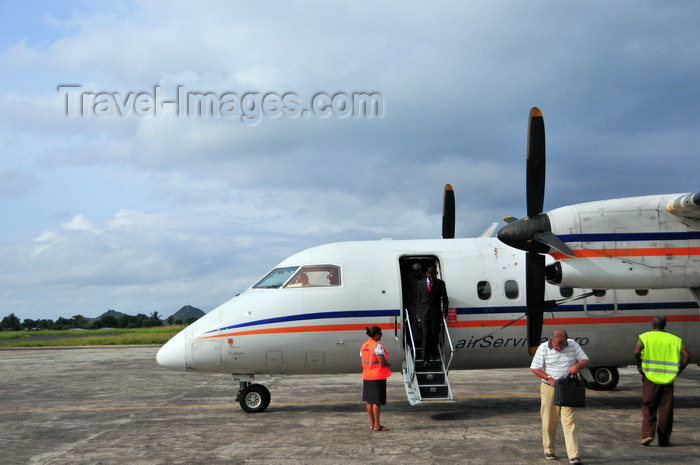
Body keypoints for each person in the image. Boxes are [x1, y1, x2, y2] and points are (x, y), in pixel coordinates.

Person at [530, 329, 589, 464]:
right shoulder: (543, 348)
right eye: (558, 345)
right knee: (549, 421)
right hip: (550, 388)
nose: (560, 348)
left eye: (563, 345)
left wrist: (577, 365)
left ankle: (574, 455)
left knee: (570, 422)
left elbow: (585, 360)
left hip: (568, 388)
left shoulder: (572, 344)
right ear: (552, 340)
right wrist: (549, 378)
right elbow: (534, 368)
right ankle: (549, 449)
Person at [634, 315, 691, 447]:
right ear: (665, 325)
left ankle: (648, 434)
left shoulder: (644, 337)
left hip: (650, 377)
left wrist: (639, 367)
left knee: (648, 405)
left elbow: (636, 352)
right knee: (665, 409)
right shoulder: (675, 339)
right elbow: (687, 356)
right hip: (668, 379)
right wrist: (678, 370)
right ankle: (664, 440)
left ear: (653, 325)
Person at [361, 326, 392, 431]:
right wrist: (388, 364)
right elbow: (382, 362)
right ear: (376, 335)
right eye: (380, 334)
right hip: (377, 376)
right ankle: (377, 425)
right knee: (376, 402)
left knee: (369, 401)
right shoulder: (377, 346)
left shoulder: (364, 346)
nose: (381, 336)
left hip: (367, 375)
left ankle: (372, 424)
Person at [416, 266, 448, 364]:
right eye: (430, 277)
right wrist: (417, 312)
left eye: (433, 277)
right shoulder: (420, 283)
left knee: (434, 334)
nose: (431, 278)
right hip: (423, 313)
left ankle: (433, 354)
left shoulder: (440, 284)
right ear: (426, 274)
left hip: (435, 313)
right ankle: (425, 358)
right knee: (425, 334)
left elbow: (445, 299)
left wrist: (444, 311)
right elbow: (418, 299)